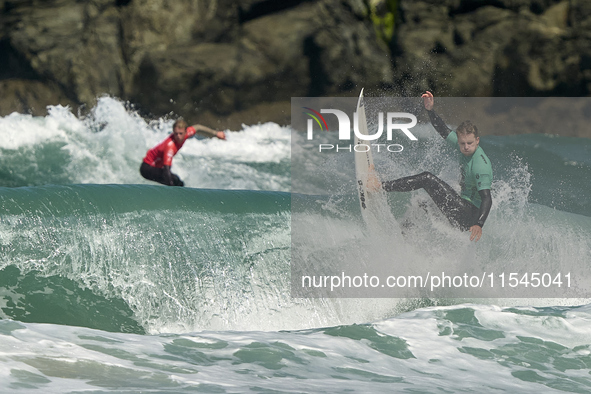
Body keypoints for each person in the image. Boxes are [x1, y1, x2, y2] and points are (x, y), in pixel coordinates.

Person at [368, 91, 493, 242]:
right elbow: (442, 129)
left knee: (427, 179)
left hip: (469, 216)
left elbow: (487, 198)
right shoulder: (463, 145)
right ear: (459, 140)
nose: (466, 147)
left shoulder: (480, 164)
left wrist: (479, 224)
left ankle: (379, 186)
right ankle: (403, 237)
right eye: (462, 143)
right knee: (422, 204)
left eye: (470, 143)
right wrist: (430, 110)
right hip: (462, 207)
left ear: (477, 141)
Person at [140, 119, 226, 186]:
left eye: (181, 133)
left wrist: (216, 133)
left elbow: (198, 127)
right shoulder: (170, 146)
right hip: (147, 168)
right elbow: (166, 170)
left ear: (186, 132)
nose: (178, 136)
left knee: (177, 182)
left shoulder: (188, 133)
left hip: (156, 167)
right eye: (176, 133)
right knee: (174, 180)